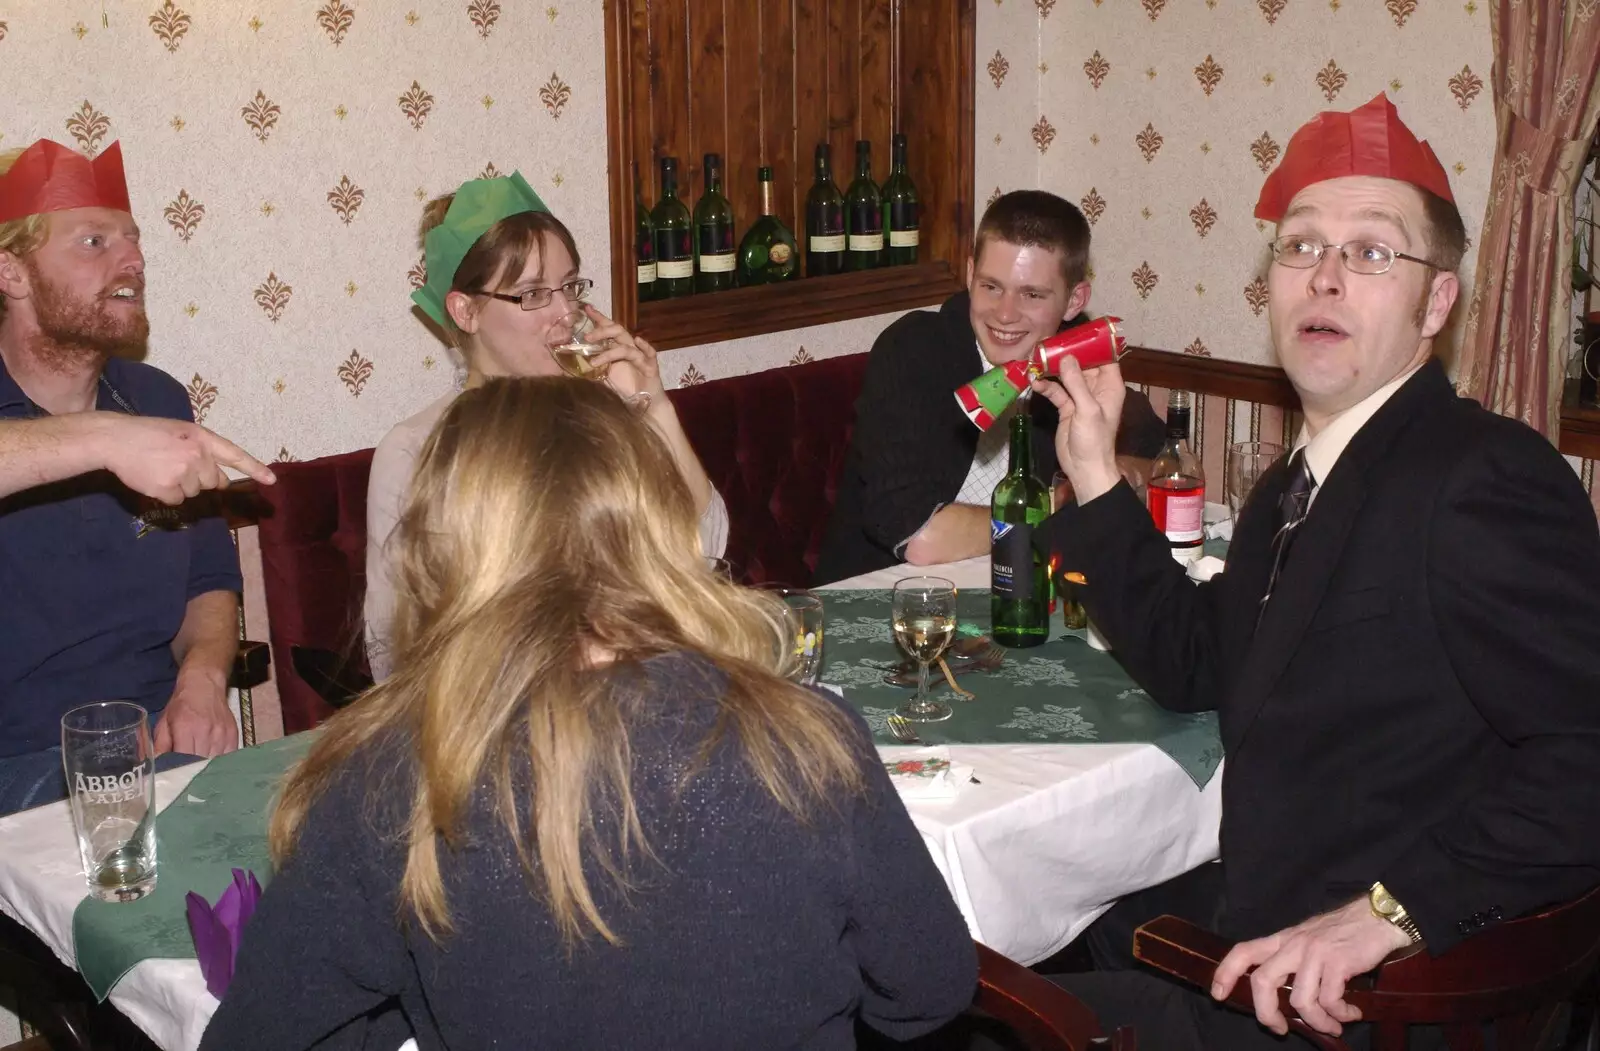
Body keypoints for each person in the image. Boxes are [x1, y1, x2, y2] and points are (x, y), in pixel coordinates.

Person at [1032, 93, 1600, 1049]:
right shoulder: (1303, 478)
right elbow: (1195, 662)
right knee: (1043, 918)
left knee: (954, 1006)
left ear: (1438, 302)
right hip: (1265, 922)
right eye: (1300, 247)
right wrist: (1092, 472)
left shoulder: (1482, 476)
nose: (1325, 277)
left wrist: (1391, 912)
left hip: (1377, 1000)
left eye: (1372, 252)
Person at [202, 377, 977, 1050]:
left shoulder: (386, 780)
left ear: (442, 549)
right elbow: (928, 990)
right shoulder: (806, 735)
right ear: (656, 525)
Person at [364, 171, 729, 679]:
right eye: (533, 294)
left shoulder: (600, 414)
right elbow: (391, 650)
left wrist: (655, 409)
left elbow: (705, 550)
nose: (565, 313)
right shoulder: (417, 450)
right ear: (466, 310)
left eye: (569, 287)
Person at [0, 139, 268, 815]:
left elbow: (208, 580)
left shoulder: (157, 400)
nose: (133, 261)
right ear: (12, 272)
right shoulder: (127, 427)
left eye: (133, 239)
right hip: (17, 768)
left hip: (156, 748)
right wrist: (102, 439)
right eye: (94, 241)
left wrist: (203, 680)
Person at [814, 190, 1165, 585]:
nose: (1005, 313)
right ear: (969, 275)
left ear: (1074, 300)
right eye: (991, 286)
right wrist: (1055, 503)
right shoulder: (914, 349)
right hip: (884, 601)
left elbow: (1166, 463)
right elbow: (920, 537)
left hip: (1009, 596)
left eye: (1031, 294)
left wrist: (1110, 468)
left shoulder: (1073, 361)